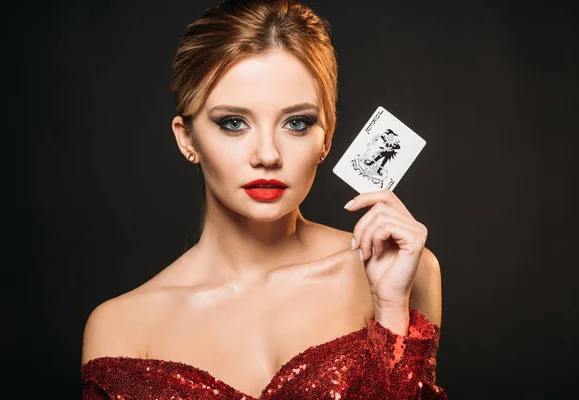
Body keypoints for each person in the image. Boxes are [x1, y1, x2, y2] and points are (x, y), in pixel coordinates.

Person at [80, 0, 447, 398]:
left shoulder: (402, 273)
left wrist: (391, 309)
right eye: (233, 123)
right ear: (187, 138)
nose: (268, 155)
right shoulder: (119, 327)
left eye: (296, 123)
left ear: (326, 135)